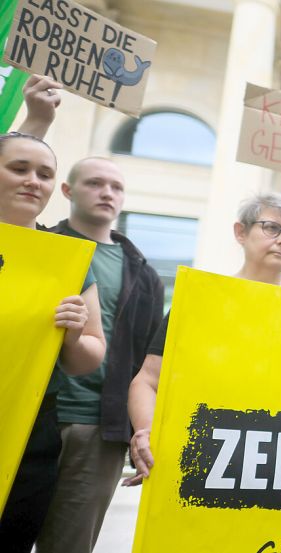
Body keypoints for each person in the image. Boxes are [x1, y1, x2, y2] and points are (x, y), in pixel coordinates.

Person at [125, 193, 281, 486]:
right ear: (241, 232)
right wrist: (146, 432)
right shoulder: (200, 300)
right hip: (203, 461)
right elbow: (147, 380)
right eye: (271, 227)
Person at [33, 158, 165, 553]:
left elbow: (149, 364)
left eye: (116, 187)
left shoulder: (145, 274)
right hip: (30, 413)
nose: (107, 192)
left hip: (99, 427)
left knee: (70, 545)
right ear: (68, 191)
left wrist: (142, 428)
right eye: (95, 183)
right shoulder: (41, 243)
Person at [0, 131, 106, 551]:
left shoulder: (68, 258)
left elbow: (89, 358)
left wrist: (75, 335)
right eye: (18, 169)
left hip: (30, 432)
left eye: (45, 174)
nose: (33, 181)